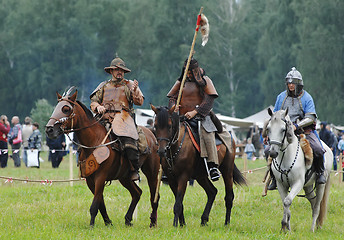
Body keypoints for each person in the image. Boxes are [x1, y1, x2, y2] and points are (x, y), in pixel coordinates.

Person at [264, 67, 326, 190]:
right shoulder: (281, 97)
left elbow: (311, 117)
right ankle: (274, 178)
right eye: (289, 82)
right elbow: (275, 116)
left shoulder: (307, 97)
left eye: (293, 83)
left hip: (304, 131)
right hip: (284, 132)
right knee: (268, 151)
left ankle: (319, 173)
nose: (291, 85)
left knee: (318, 149)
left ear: (299, 84)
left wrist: (296, 125)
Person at [90, 55, 144, 181]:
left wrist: (135, 91)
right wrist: (98, 107)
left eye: (122, 70)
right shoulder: (103, 86)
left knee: (129, 143)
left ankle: (134, 169)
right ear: (111, 71)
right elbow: (93, 102)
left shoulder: (130, 85)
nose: (120, 72)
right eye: (117, 69)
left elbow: (139, 101)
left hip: (123, 119)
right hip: (104, 118)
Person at [167, 58, 222, 181]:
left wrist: (195, 111)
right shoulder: (180, 82)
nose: (188, 74)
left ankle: (212, 166)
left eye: (190, 72)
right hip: (181, 117)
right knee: (167, 134)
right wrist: (173, 106)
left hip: (201, 117)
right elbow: (172, 97)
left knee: (207, 134)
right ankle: (167, 167)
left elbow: (209, 100)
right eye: (187, 72)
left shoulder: (205, 81)